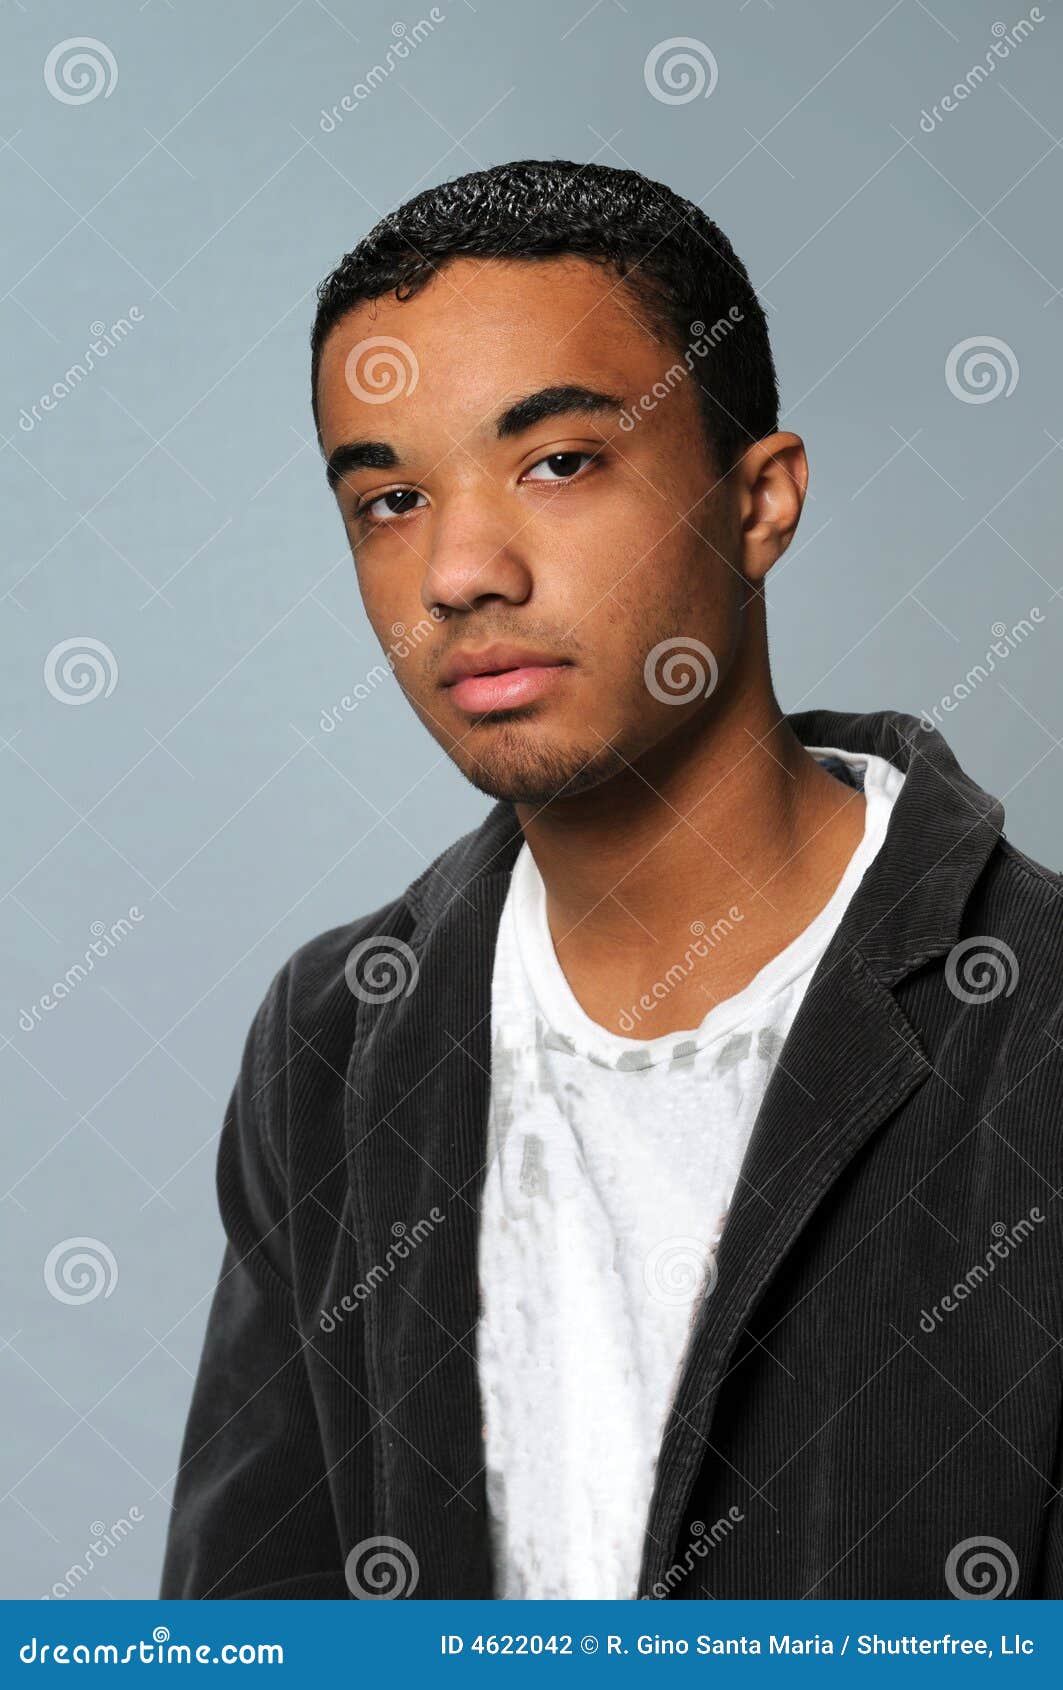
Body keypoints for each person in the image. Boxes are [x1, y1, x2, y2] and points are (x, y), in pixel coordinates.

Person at [160, 159, 1063, 1602]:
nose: (459, 569)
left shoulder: (1035, 1012)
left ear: (759, 501)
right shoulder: (332, 1037)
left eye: (560, 461)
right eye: (389, 496)